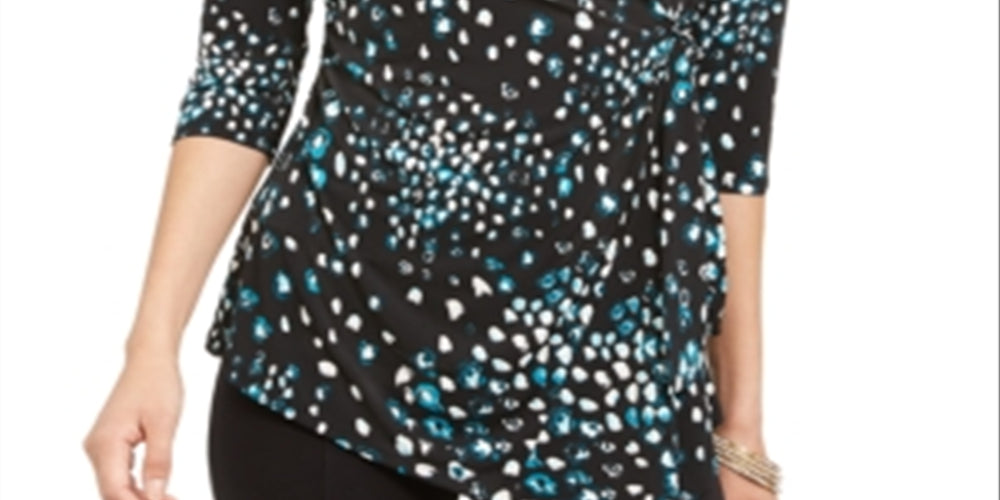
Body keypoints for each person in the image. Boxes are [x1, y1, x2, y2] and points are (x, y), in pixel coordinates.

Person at [82, 0, 790, 498]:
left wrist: (741, 429)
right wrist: (151, 348)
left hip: (610, 399)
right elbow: (245, 70)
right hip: (330, 363)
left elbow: (731, 140)